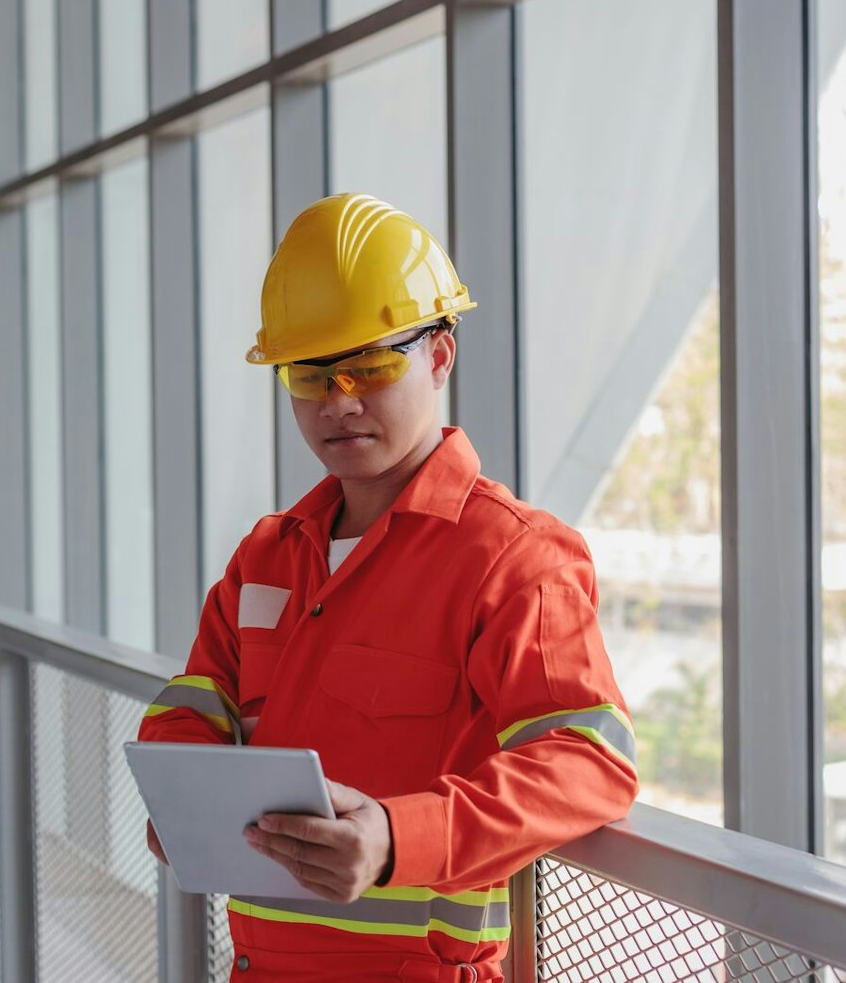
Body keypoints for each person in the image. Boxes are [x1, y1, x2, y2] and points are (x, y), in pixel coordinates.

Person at [137, 193, 639, 982]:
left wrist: (398, 839)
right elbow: (194, 700)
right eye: (310, 372)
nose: (340, 400)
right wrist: (180, 792)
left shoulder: (511, 557)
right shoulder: (266, 556)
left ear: (439, 355)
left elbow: (587, 759)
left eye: (369, 364)